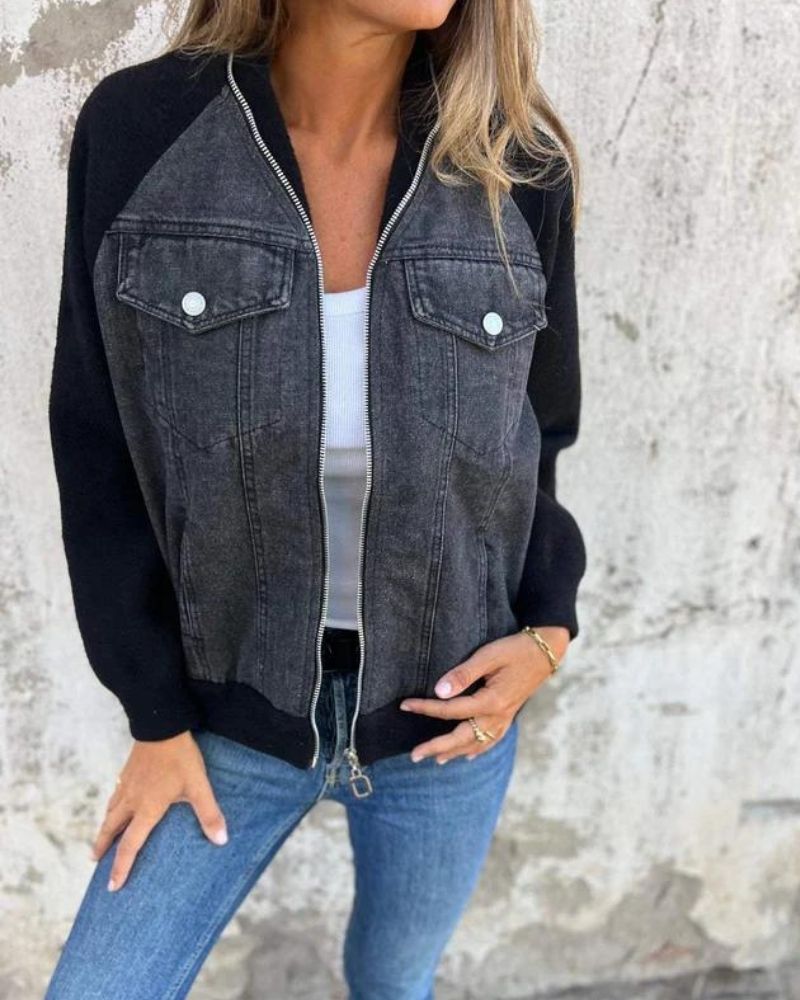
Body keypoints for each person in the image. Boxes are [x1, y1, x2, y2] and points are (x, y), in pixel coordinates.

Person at [44, 1, 587, 996]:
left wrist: (546, 631)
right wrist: (154, 715)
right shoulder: (144, 132)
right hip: (223, 716)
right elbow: (96, 443)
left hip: (446, 717)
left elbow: (533, 440)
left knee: (393, 982)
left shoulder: (516, 165)